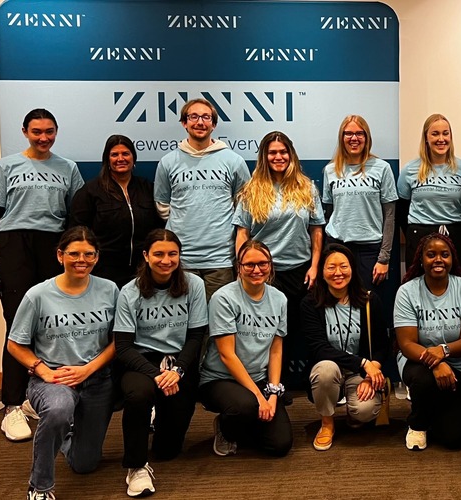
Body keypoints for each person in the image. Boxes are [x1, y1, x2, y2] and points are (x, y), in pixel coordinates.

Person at [0, 108, 84, 442]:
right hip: (14, 247)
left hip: (52, 248)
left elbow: (75, 218)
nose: (44, 137)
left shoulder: (67, 168)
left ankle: (33, 399)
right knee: (17, 327)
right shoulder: (6, 165)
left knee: (48, 328)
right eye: (37, 131)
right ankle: (11, 406)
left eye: (50, 131)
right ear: (25, 131)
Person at [5, 226, 119, 500]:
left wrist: (88, 369)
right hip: (53, 378)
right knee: (58, 409)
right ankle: (40, 486)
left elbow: (118, 341)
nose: (82, 260)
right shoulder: (38, 295)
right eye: (74, 254)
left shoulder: (110, 290)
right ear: (60, 255)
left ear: (97, 256)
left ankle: (65, 434)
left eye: (89, 254)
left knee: (84, 464)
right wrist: (43, 371)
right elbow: (15, 344)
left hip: (95, 379)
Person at [114, 229, 208, 496]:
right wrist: (157, 374)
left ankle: (158, 417)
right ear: (146, 255)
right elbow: (123, 347)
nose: (166, 260)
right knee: (139, 395)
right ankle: (136, 466)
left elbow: (196, 336)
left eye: (172, 254)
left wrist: (177, 371)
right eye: (158, 254)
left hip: (179, 362)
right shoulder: (129, 292)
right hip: (142, 362)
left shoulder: (194, 285)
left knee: (167, 451)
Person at [234, 130, 324, 386]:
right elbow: (242, 233)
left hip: (300, 271)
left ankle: (307, 386)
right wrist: (242, 267)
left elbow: (316, 230)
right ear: (264, 156)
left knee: (299, 331)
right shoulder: (251, 190)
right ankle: (270, 385)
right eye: (272, 152)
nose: (278, 156)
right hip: (263, 274)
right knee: (267, 334)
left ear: (291, 154)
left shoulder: (306, 187)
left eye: (283, 151)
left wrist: (315, 266)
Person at [198, 240, 292, 458]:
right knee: (246, 406)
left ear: (270, 265)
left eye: (262, 264)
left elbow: (276, 350)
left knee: (280, 445)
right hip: (220, 379)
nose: (256, 270)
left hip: (258, 377)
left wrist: (273, 394)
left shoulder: (279, 299)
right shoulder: (223, 298)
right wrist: (260, 398)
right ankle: (225, 428)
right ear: (238, 267)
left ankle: (249, 422)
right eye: (249, 265)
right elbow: (226, 355)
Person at [154, 98, 251, 299]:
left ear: (213, 124)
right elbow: (162, 204)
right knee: (184, 320)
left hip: (220, 259)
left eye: (206, 117)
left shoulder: (234, 161)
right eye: (194, 117)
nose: (200, 122)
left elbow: (244, 204)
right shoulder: (168, 162)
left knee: (219, 321)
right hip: (180, 258)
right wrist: (184, 222)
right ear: (184, 123)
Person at [395, 233, 461, 450]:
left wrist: (443, 351)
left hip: (457, 364)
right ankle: (417, 423)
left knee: (455, 439)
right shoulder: (407, 291)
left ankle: (434, 408)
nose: (438, 260)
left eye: (445, 254)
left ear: (453, 258)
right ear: (421, 259)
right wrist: (437, 361)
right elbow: (406, 344)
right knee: (424, 380)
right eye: (431, 255)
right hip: (416, 361)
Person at [301, 244, 389, 451]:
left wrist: (371, 373)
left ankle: (353, 410)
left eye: (343, 266)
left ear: (353, 269)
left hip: (359, 373)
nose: (338, 273)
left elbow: (382, 345)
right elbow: (319, 348)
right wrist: (364, 363)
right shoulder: (310, 303)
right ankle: (327, 423)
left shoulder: (369, 300)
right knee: (326, 369)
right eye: (331, 267)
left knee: (364, 411)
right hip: (329, 371)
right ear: (322, 272)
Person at [69, 134, 164, 289]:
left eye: (125, 154)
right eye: (114, 155)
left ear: (134, 158)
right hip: (104, 271)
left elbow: (160, 226)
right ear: (107, 160)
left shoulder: (147, 188)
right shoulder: (91, 191)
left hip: (143, 270)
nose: (121, 158)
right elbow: (77, 232)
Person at [321, 115, 398, 291]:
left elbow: (390, 217)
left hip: (370, 249)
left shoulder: (382, 168)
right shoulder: (331, 170)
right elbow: (329, 213)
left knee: (368, 305)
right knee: (338, 302)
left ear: (367, 137)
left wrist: (384, 258)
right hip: (338, 246)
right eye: (348, 133)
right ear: (341, 138)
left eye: (359, 133)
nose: (354, 138)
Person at [397, 114, 461, 268]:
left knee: (455, 286)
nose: (441, 139)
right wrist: (414, 232)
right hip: (419, 234)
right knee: (417, 286)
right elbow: (401, 209)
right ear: (426, 137)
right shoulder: (410, 170)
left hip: (455, 235)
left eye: (445, 133)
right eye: (435, 134)